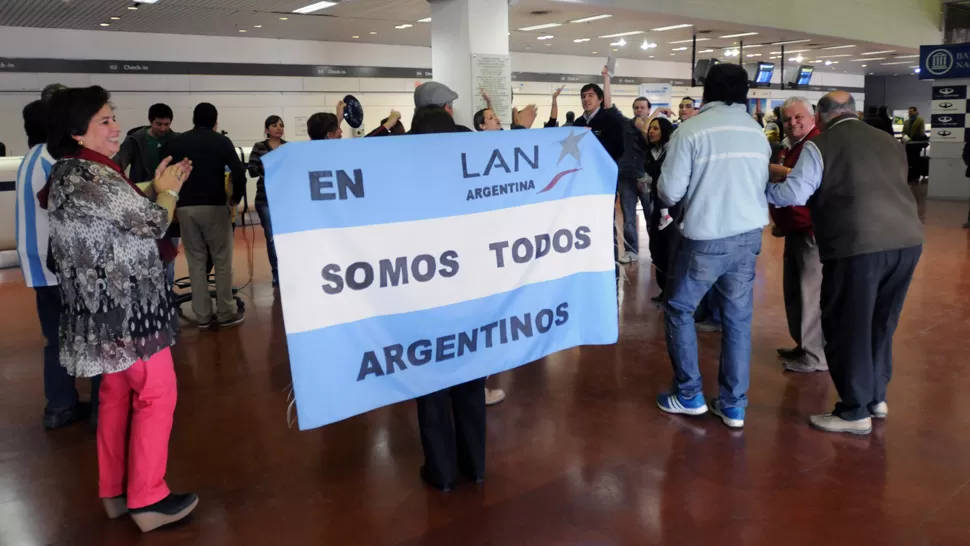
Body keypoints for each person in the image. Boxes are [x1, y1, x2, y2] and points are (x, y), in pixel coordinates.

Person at [41, 85, 198, 531]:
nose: (115, 129)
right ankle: (148, 498)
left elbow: (118, 209)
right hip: (129, 308)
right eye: (104, 121)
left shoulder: (73, 173)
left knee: (114, 395)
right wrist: (167, 193)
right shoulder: (92, 175)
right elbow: (151, 221)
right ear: (76, 132)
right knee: (157, 393)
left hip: (98, 312)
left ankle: (115, 490)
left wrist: (156, 184)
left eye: (113, 118)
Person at [766, 90, 924, 435]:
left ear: (821, 117)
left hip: (857, 244)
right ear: (855, 111)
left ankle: (854, 411)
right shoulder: (889, 141)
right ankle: (875, 398)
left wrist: (761, 189)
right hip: (908, 240)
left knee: (846, 325)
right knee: (881, 323)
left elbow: (795, 194)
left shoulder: (821, 145)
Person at [655, 63, 770, 429]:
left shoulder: (692, 131)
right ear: (745, 93)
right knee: (737, 320)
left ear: (707, 91)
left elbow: (670, 191)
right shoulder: (757, 132)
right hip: (748, 236)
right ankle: (734, 404)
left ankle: (689, 393)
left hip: (706, 236)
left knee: (679, 308)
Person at [409, 106, 487, 492]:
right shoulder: (474, 181)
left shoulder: (403, 187)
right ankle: (475, 465)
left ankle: (441, 472)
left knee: (432, 389)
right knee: (471, 385)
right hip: (470, 300)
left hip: (425, 305)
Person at [16, 98, 100, 429]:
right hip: (64, 265)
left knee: (57, 338)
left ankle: (60, 406)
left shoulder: (31, 158)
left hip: (37, 265)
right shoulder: (57, 160)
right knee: (93, 335)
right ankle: (102, 410)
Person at [162, 103, 247, 329]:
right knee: (221, 259)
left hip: (184, 208)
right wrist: (235, 199)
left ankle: (202, 315)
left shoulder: (178, 142)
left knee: (196, 261)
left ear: (193, 119)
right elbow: (239, 172)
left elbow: (162, 169)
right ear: (215, 121)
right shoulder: (221, 141)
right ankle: (226, 312)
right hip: (214, 207)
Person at [769, 97, 827, 374]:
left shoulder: (815, 146)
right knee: (794, 293)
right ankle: (803, 345)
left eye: (798, 117)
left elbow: (801, 190)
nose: (792, 123)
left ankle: (815, 355)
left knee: (809, 294)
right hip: (794, 230)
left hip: (810, 233)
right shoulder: (795, 147)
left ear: (812, 116)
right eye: (787, 119)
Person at [115, 103, 181, 305]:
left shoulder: (177, 140)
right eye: (158, 124)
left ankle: (166, 291)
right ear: (150, 121)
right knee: (143, 252)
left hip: (169, 202)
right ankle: (145, 296)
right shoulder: (134, 141)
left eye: (166, 124)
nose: (163, 128)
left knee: (169, 250)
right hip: (142, 203)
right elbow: (118, 166)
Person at [248, 115, 287, 287]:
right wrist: (267, 166)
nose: (278, 128)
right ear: (267, 129)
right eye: (274, 125)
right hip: (265, 198)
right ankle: (276, 272)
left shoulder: (288, 147)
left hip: (284, 198)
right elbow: (252, 170)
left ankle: (288, 269)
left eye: (281, 125)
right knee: (271, 237)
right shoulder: (259, 147)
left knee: (286, 237)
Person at [643, 117, 676, 302]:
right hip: (656, 205)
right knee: (656, 248)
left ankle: (672, 293)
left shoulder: (671, 151)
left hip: (671, 208)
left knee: (669, 249)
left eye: (655, 128)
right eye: (650, 129)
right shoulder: (651, 151)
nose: (651, 132)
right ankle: (664, 290)